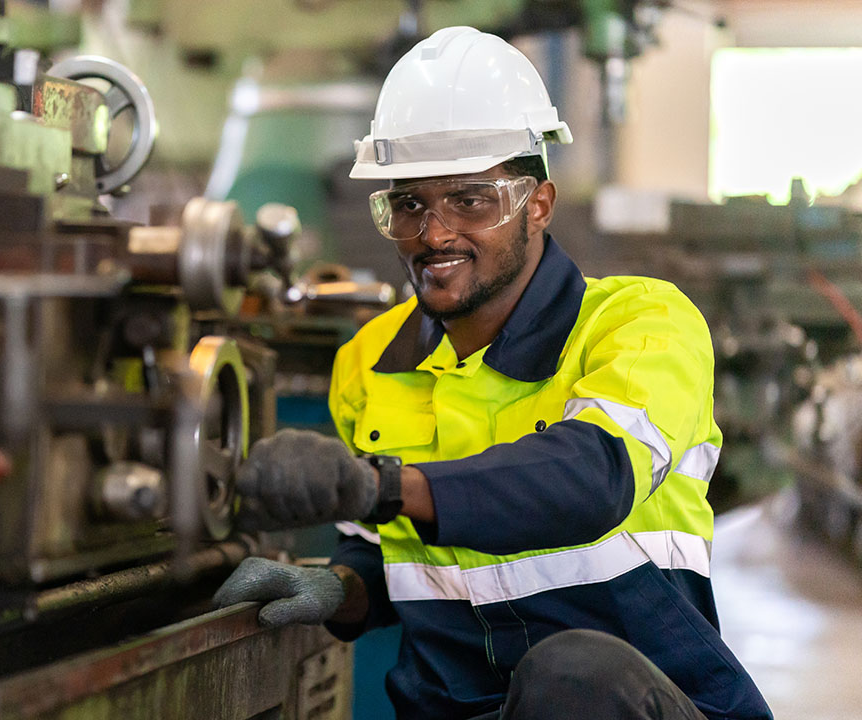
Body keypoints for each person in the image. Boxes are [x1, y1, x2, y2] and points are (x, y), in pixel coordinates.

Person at [212, 26, 773, 720]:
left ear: (537, 204)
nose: (435, 233)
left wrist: (380, 485)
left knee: (572, 676)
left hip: (622, 705)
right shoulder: (372, 359)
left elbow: (591, 477)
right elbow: (390, 557)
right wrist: (335, 587)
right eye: (410, 204)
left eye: (471, 200)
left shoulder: (639, 324)